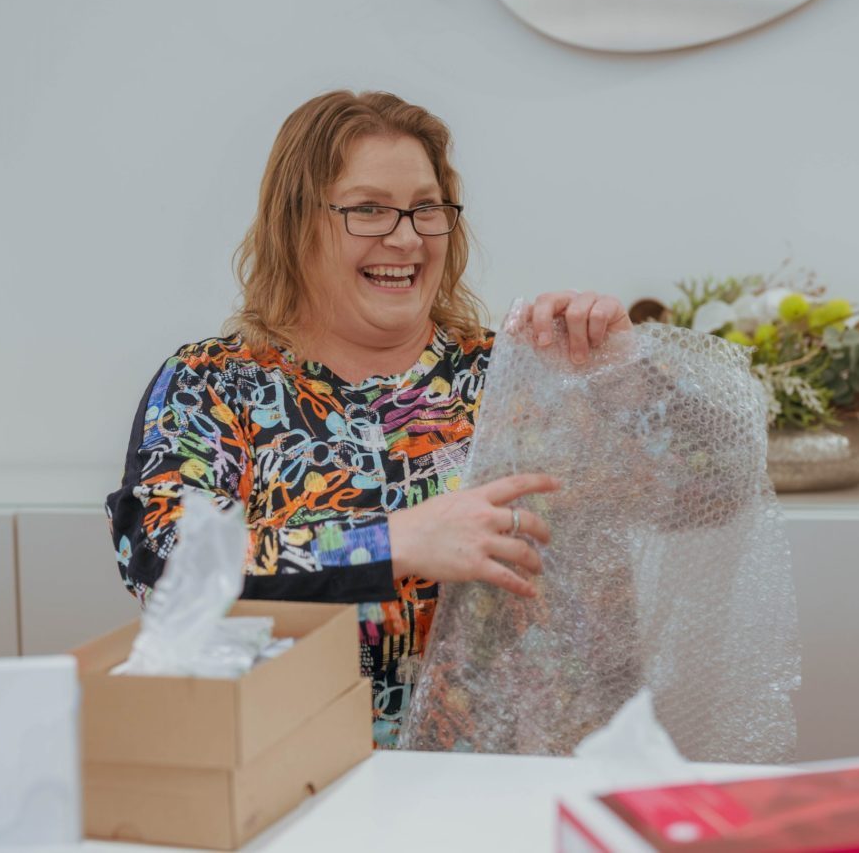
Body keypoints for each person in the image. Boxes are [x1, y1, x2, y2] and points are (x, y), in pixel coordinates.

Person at [106, 90, 632, 748]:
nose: (406, 237)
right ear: (295, 223)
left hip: (512, 789)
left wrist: (624, 373)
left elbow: (702, 494)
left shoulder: (514, 376)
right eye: (368, 210)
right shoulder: (215, 385)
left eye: (425, 209)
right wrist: (393, 542)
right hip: (294, 785)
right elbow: (165, 564)